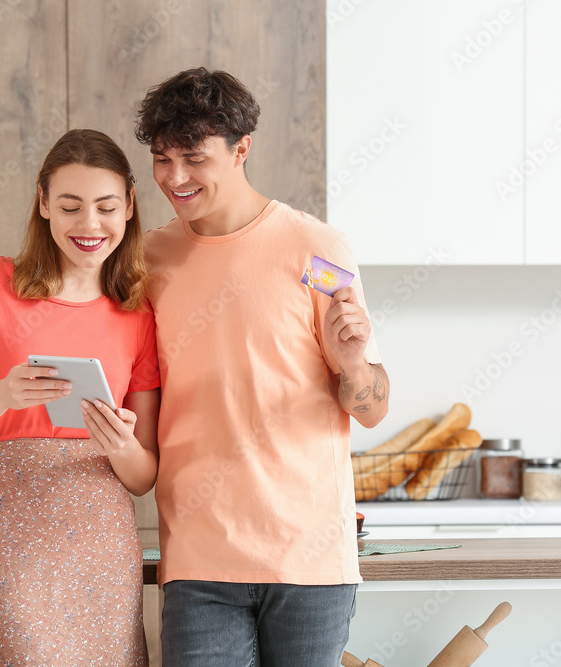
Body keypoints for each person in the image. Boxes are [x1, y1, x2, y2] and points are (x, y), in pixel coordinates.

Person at [136, 68, 390, 666]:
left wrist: (353, 363)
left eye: (194, 159)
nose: (174, 178)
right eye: (162, 158)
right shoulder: (149, 259)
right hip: (199, 560)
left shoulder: (316, 250)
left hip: (310, 557)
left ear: (241, 148)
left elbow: (374, 407)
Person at [0, 129, 159, 665]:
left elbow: (144, 477)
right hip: (7, 529)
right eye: (70, 206)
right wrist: (3, 394)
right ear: (44, 203)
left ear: (129, 206)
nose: (89, 225)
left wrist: (121, 444)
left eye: (105, 207)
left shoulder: (139, 312)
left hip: (102, 537)